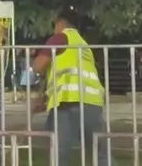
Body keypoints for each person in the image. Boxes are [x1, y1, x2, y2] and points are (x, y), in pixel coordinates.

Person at [30, 9, 110, 166]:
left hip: (67, 102)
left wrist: (34, 59)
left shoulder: (60, 37)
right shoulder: (83, 45)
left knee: (57, 153)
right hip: (93, 103)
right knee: (100, 153)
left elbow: (38, 66)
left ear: (60, 23)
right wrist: (45, 97)